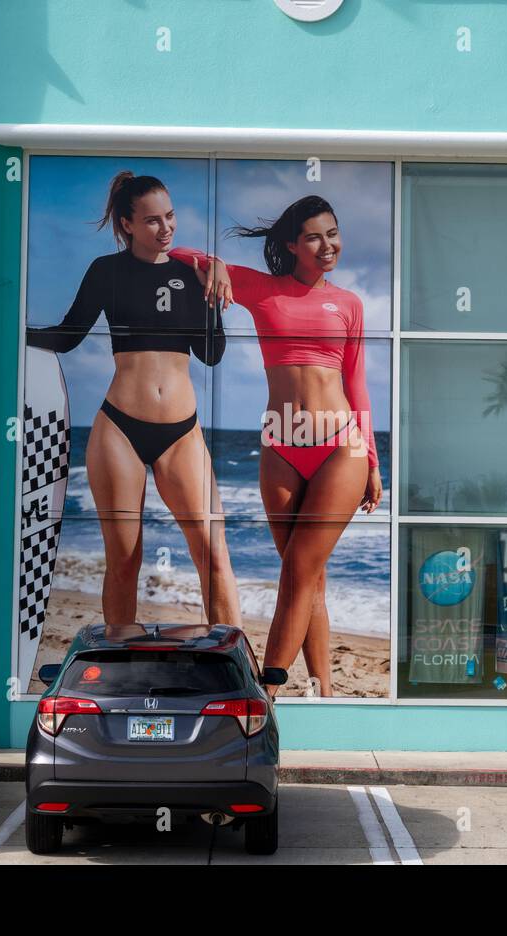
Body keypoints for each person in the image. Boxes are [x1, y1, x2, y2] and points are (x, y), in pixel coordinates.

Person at [170, 196, 382, 696]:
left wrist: (372, 461)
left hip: (339, 447)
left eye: (333, 233)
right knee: (309, 578)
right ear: (292, 244)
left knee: (297, 570)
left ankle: (266, 689)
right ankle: (325, 689)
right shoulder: (263, 291)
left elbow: (357, 385)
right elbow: (178, 254)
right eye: (314, 236)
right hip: (281, 445)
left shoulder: (349, 303)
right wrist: (217, 265)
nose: (327, 245)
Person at [28, 171, 240, 627]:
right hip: (120, 427)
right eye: (151, 221)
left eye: (170, 216)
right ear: (126, 224)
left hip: (181, 431)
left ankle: (237, 663)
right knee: (125, 560)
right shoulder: (107, 272)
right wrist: (12, 330)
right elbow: (67, 337)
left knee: (213, 553)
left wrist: (212, 296)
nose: (165, 228)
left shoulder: (193, 272)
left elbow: (212, 354)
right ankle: (119, 661)